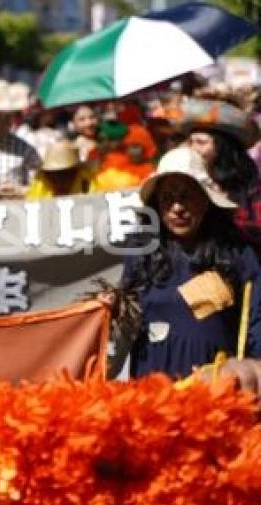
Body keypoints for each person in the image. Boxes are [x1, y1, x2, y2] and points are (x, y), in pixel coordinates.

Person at [111, 147, 261, 380]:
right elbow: (122, 325)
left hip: (217, 388)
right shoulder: (140, 253)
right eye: (167, 199)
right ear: (157, 207)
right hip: (153, 388)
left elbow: (256, 322)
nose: (177, 208)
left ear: (205, 200)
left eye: (186, 196)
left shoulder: (237, 253)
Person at [178, 97, 261, 249]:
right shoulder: (188, 178)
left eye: (201, 142)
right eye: (191, 142)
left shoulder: (251, 187)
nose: (194, 149)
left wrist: (224, 205)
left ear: (222, 148)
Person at [26, 140, 98, 199]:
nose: (58, 180)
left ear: (75, 171)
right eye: (53, 174)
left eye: (63, 174)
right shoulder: (39, 187)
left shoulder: (87, 185)